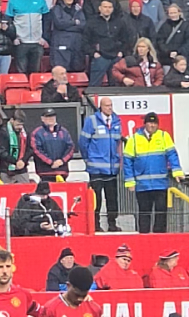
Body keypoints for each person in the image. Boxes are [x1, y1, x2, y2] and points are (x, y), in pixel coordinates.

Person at [123, 112, 183, 233]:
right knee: (144, 214)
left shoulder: (163, 136)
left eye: (155, 123)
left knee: (161, 214)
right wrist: (130, 182)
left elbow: (172, 155)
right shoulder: (134, 139)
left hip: (160, 184)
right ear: (145, 124)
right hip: (142, 186)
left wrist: (177, 172)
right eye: (150, 123)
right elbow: (127, 161)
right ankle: (144, 241)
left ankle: (159, 239)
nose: (152, 125)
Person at [79, 97, 122, 233]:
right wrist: (88, 159)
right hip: (96, 168)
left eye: (111, 105)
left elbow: (118, 143)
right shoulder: (91, 121)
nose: (110, 108)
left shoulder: (116, 121)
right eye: (107, 105)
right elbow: (83, 143)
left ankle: (112, 223)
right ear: (101, 107)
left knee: (112, 198)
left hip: (111, 168)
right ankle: (95, 224)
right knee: (96, 198)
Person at [31, 108, 75, 181]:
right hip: (44, 172)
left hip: (62, 171)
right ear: (42, 118)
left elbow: (70, 148)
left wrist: (62, 161)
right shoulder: (37, 132)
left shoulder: (64, 131)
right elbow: (36, 150)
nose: (51, 119)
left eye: (52, 116)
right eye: (48, 117)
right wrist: (50, 162)